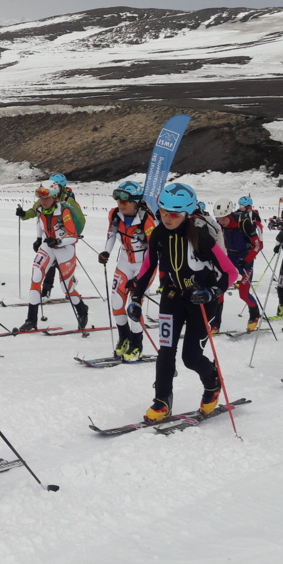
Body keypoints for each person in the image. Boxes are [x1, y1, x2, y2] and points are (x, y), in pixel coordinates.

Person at [127, 183, 239, 422]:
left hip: (200, 301)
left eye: (174, 214)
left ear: (187, 213)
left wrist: (212, 292)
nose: (167, 218)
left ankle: (212, 384)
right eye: (163, 212)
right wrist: (136, 297)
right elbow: (148, 269)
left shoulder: (201, 236)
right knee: (166, 352)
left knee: (191, 357)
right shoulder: (158, 234)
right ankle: (161, 402)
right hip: (171, 298)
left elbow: (230, 272)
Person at [18, 180, 90, 332]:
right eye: (40, 196)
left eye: (46, 197)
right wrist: (24, 216)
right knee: (36, 277)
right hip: (48, 246)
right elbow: (36, 219)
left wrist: (58, 240)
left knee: (67, 287)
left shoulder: (64, 211)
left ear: (55, 197)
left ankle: (82, 309)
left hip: (65, 248)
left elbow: (73, 236)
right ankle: (31, 320)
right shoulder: (40, 207)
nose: (43, 200)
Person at [98, 180, 155, 360]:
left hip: (144, 264)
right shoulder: (115, 214)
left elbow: (154, 252)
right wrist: (106, 251)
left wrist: (140, 277)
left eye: (125, 202)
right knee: (116, 302)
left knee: (134, 306)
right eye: (119, 201)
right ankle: (124, 338)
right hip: (124, 261)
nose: (121, 205)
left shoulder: (146, 219)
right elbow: (112, 234)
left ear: (136, 202)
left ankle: (137, 345)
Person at [16, 173, 83, 299]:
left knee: (62, 265)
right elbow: (36, 211)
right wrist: (24, 214)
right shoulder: (45, 196)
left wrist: (74, 235)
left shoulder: (68, 200)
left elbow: (79, 218)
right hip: (49, 239)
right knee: (49, 265)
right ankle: (46, 291)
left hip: (64, 240)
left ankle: (70, 288)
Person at [214, 200, 263, 332]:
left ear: (229, 215)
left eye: (223, 219)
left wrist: (247, 260)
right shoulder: (220, 225)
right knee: (220, 290)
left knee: (243, 294)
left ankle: (255, 315)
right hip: (230, 257)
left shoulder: (244, 222)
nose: (220, 221)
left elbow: (258, 245)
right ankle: (215, 323)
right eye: (218, 219)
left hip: (245, 257)